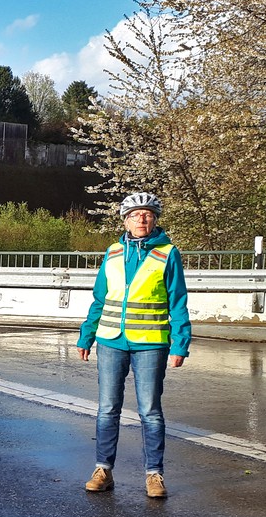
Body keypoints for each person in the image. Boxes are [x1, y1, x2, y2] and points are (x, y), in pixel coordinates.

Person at [77, 192, 191, 498]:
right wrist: (86, 334)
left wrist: (181, 343)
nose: (142, 219)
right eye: (135, 214)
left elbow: (178, 300)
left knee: (150, 410)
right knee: (107, 409)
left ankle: (155, 475)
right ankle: (103, 470)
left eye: (147, 214)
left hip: (151, 343)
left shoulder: (167, 253)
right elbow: (100, 297)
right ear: (125, 220)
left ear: (154, 219)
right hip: (111, 340)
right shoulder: (113, 252)